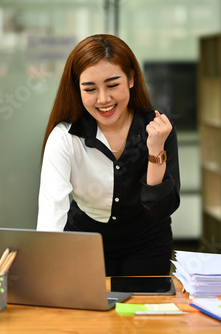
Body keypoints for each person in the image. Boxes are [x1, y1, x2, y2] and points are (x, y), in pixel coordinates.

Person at [37, 34, 180, 276]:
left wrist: (155, 150)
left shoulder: (158, 128)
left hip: (147, 243)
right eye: (90, 89)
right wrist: (44, 271)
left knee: (140, 313)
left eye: (112, 85)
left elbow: (160, 210)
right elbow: (52, 211)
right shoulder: (64, 137)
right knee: (85, 312)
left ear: (131, 79)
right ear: (77, 89)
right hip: (84, 241)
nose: (103, 99)